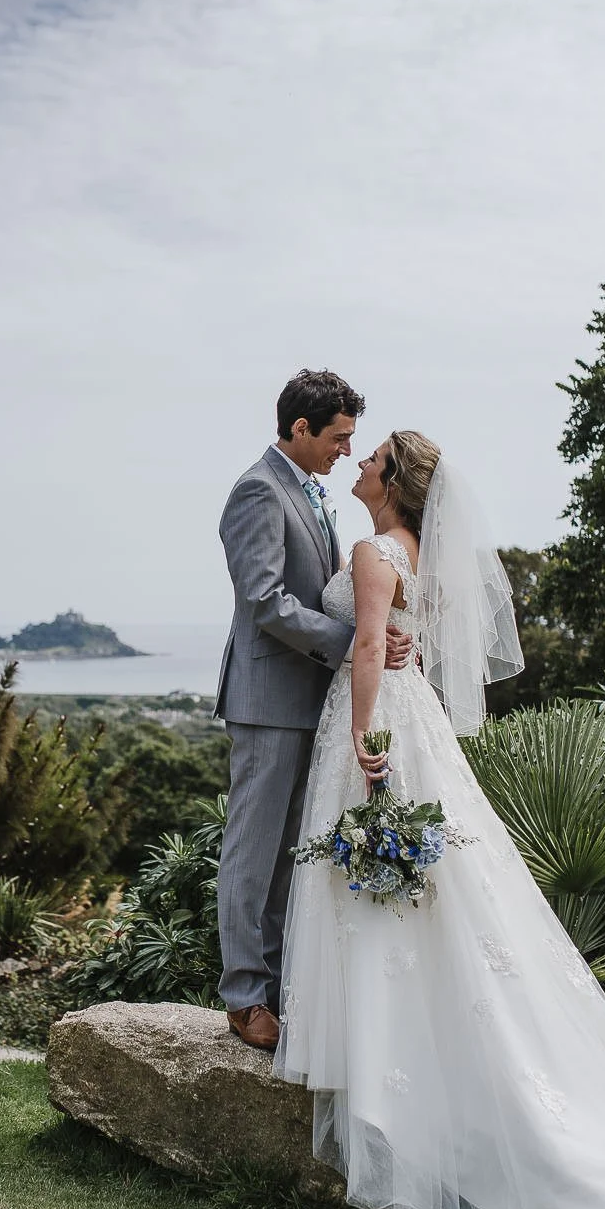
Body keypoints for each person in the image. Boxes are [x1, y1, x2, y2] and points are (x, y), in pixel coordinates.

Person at [272, 430, 605, 1209]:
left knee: (382, 900)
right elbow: (400, 639)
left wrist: (363, 744)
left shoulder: (372, 548)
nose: (360, 461)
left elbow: (366, 653)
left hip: (383, 731)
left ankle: (395, 1093)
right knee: (425, 898)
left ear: (393, 479)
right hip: (418, 726)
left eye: (371, 454)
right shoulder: (416, 548)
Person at [214, 370, 412, 1051]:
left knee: (284, 860)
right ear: (301, 429)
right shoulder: (256, 491)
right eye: (337, 437)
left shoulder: (310, 492)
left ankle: (269, 988)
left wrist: (378, 632)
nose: (343, 451)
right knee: (251, 852)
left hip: (311, 702)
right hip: (268, 700)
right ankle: (243, 996)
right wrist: (354, 640)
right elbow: (266, 601)